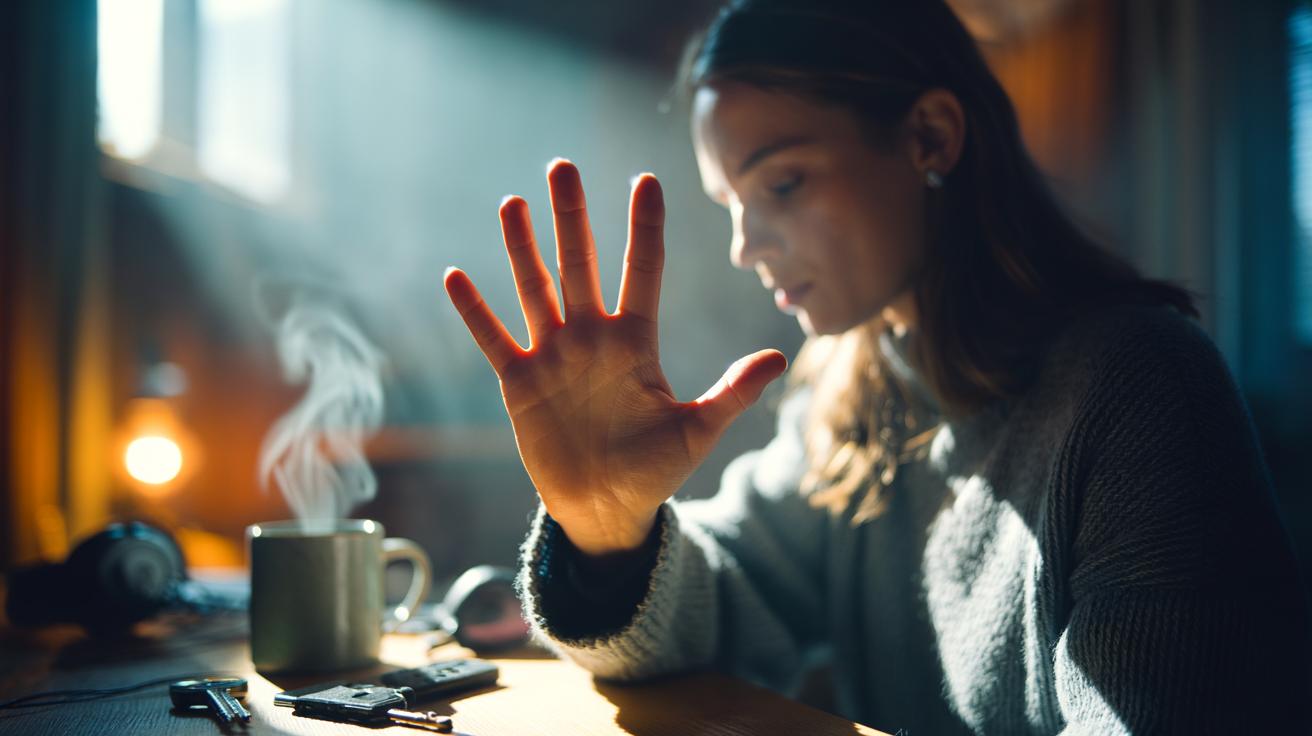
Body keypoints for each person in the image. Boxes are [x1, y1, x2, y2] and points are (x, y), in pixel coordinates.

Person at [442, 0, 1312, 732]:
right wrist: (605, 529)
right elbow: (731, 601)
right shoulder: (850, 386)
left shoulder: (1139, 388)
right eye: (732, 204)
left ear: (930, 137)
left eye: (780, 184)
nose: (746, 246)